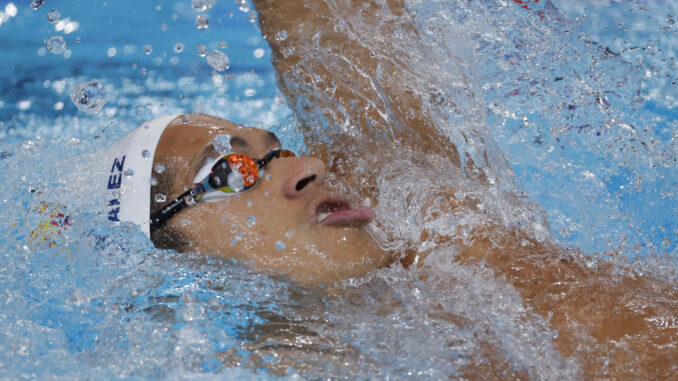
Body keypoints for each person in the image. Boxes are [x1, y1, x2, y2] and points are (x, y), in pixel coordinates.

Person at [99, 0, 676, 378]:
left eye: (278, 151)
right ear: (171, 256)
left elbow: (324, 21)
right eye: (228, 173)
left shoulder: (413, 201)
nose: (309, 166)